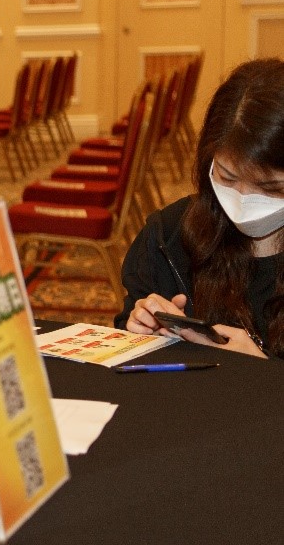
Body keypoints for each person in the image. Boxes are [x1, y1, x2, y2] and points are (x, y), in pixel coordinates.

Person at [118, 58, 284, 358]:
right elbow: (123, 345)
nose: (243, 199)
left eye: (271, 188)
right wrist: (140, 332)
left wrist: (263, 371)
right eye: (227, 177)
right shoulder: (168, 237)